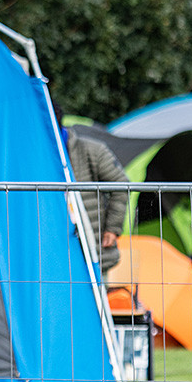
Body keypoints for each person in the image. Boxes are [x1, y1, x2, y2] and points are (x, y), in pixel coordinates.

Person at [55, 104, 129, 273]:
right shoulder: (34, 153)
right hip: (57, 250)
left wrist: (113, 227)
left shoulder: (92, 150)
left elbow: (121, 186)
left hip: (93, 246)